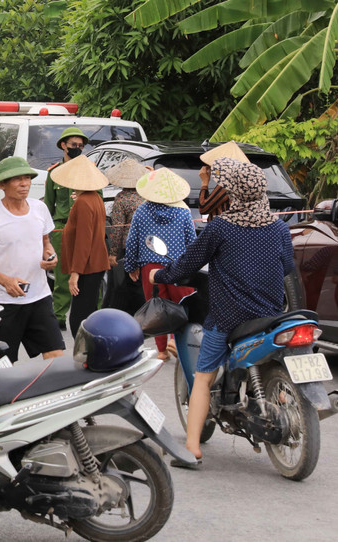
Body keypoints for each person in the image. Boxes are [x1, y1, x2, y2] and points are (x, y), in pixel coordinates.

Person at [150, 157, 294, 465]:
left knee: (203, 377)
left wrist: (158, 276)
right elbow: (287, 268)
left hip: (229, 317)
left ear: (234, 192)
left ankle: (191, 448)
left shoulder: (221, 228)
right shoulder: (280, 228)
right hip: (270, 316)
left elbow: (187, 265)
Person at [0, 156, 64, 362]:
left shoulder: (40, 209)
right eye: (17, 179)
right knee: (2, 364)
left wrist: (50, 255)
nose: (24, 184)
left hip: (40, 297)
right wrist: (5, 281)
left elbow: (46, 242)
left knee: (56, 356)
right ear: (2, 185)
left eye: (27, 178)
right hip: (5, 301)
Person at [125, 168, 196, 360]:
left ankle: (162, 351)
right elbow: (192, 242)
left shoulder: (141, 211)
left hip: (150, 268)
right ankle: (177, 342)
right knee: (181, 305)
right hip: (178, 266)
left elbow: (132, 241)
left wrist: (131, 266)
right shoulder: (183, 212)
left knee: (156, 308)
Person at [50, 155, 110, 338]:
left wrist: (75, 273)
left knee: (78, 318)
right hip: (94, 264)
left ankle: (84, 349)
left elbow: (83, 240)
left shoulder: (84, 202)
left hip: (87, 266)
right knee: (88, 312)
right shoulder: (94, 198)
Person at [44, 127, 90, 330]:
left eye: (81, 145)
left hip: (84, 227)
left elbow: (97, 199)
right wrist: (45, 235)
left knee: (88, 272)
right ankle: (59, 316)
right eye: (73, 145)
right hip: (61, 228)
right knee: (62, 275)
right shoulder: (54, 173)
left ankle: (92, 314)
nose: (77, 148)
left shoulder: (89, 170)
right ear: (63, 145)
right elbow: (48, 205)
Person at [104, 160, 148, 314]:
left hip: (128, 247)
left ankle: (131, 314)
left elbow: (118, 228)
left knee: (128, 283)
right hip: (148, 246)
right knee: (142, 282)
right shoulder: (146, 197)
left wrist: (113, 253)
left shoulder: (121, 198)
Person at [198, 141, 250, 220]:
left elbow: (203, 208)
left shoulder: (228, 184)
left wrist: (205, 182)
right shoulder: (244, 181)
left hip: (224, 225)